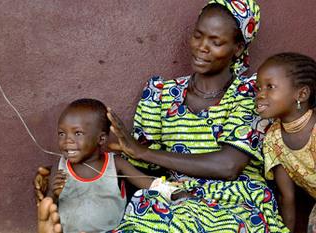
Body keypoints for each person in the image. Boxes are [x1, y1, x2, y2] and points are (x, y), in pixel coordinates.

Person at [38, 0, 289, 232]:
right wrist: (73, 174)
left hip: (235, 201)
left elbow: (228, 166)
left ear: (237, 48)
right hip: (174, 197)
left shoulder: (251, 95)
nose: (202, 47)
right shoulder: (161, 94)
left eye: (216, 41)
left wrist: (141, 151)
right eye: (198, 36)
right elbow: (144, 168)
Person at [51, 98, 177, 233]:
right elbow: (47, 207)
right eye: (62, 134)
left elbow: (150, 185)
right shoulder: (59, 168)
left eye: (78, 133)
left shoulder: (114, 163)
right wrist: (54, 194)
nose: (67, 140)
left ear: (101, 139)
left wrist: (175, 193)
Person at [256, 52, 316, 232]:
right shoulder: (273, 141)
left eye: (270, 87)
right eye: (259, 88)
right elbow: (286, 198)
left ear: (302, 94)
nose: (260, 94)